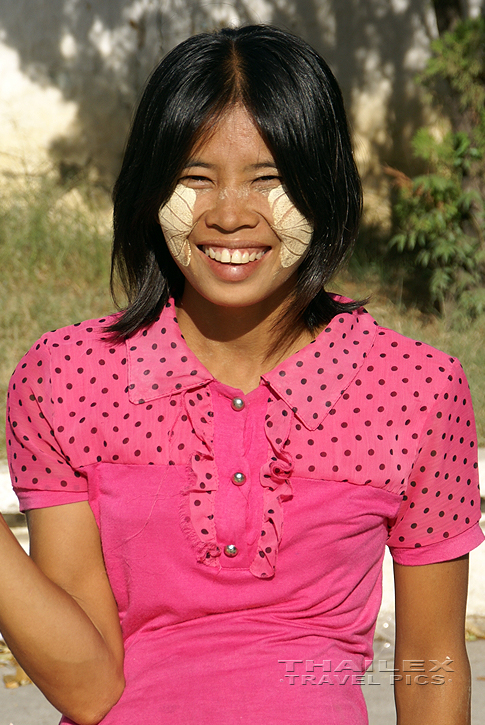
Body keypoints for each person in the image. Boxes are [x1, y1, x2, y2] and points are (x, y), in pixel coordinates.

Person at [1, 24, 483, 725]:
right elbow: (86, 685)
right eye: (194, 178)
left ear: (324, 188)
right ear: (149, 188)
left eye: (270, 179)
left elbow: (430, 665)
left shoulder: (416, 388)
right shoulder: (66, 376)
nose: (229, 214)